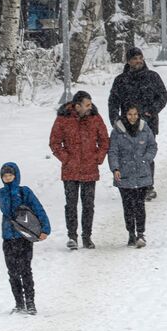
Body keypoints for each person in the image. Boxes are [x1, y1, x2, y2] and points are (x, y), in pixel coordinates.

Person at [0, 162, 51, 315]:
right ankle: (19, 303)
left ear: (16, 176)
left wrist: (45, 229)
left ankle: (30, 303)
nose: (7, 178)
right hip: (8, 238)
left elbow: (38, 208)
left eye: (10, 175)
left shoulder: (25, 192)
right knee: (13, 272)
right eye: (5, 176)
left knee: (26, 270)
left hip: (24, 237)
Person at [106, 46, 167, 199]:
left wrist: (151, 111)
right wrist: (115, 121)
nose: (138, 61)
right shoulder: (121, 80)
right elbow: (113, 102)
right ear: (128, 61)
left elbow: (163, 96)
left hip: (148, 123)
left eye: (140, 58)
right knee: (127, 155)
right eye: (135, 58)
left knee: (146, 154)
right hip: (125, 125)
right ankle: (129, 184)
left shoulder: (152, 77)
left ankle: (147, 186)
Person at [49, 91, 109, 249]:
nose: (90, 107)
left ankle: (87, 236)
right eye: (87, 105)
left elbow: (104, 140)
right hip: (70, 170)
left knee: (88, 205)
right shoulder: (63, 119)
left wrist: (98, 157)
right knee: (71, 204)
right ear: (77, 106)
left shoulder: (95, 118)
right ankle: (72, 236)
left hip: (90, 168)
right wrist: (66, 159)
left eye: (90, 104)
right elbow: (54, 143)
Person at [107, 104, 157, 248]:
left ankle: (141, 233)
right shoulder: (117, 131)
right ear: (125, 115)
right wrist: (115, 168)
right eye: (129, 114)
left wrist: (145, 159)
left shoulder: (145, 128)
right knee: (128, 206)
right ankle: (131, 233)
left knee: (140, 205)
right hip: (125, 175)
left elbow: (152, 146)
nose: (132, 117)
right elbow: (113, 151)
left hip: (141, 174)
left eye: (135, 114)